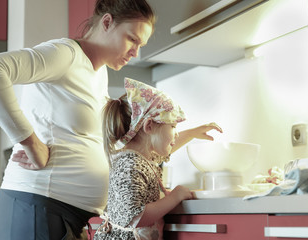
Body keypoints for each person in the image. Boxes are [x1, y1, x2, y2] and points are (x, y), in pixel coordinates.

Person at [0, 0, 156, 239]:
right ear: (107, 22)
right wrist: (31, 143)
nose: (136, 52)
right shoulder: (64, 54)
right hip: (36, 209)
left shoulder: (98, 73)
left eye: (141, 45)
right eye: (132, 39)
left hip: (61, 215)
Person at [94, 78, 222, 240]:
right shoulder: (131, 164)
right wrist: (175, 196)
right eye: (173, 126)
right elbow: (134, 217)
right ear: (149, 126)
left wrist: (192, 133)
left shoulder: (140, 159)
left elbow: (163, 152)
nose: (175, 133)